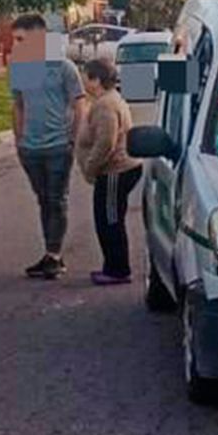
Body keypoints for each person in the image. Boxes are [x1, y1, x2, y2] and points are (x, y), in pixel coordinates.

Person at [10, 13, 83, 280]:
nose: (16, 45)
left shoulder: (63, 66)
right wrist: (19, 140)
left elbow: (79, 102)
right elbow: (18, 104)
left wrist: (73, 137)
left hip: (57, 147)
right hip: (30, 148)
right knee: (43, 200)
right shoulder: (23, 68)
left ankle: (54, 254)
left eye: (21, 39)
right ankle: (50, 252)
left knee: (56, 199)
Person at [77, 58, 142, 284]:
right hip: (112, 170)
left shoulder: (106, 105)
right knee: (105, 219)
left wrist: (90, 166)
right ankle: (111, 266)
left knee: (110, 220)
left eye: (85, 76)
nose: (83, 81)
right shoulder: (105, 101)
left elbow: (106, 141)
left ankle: (118, 269)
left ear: (96, 80)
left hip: (116, 169)